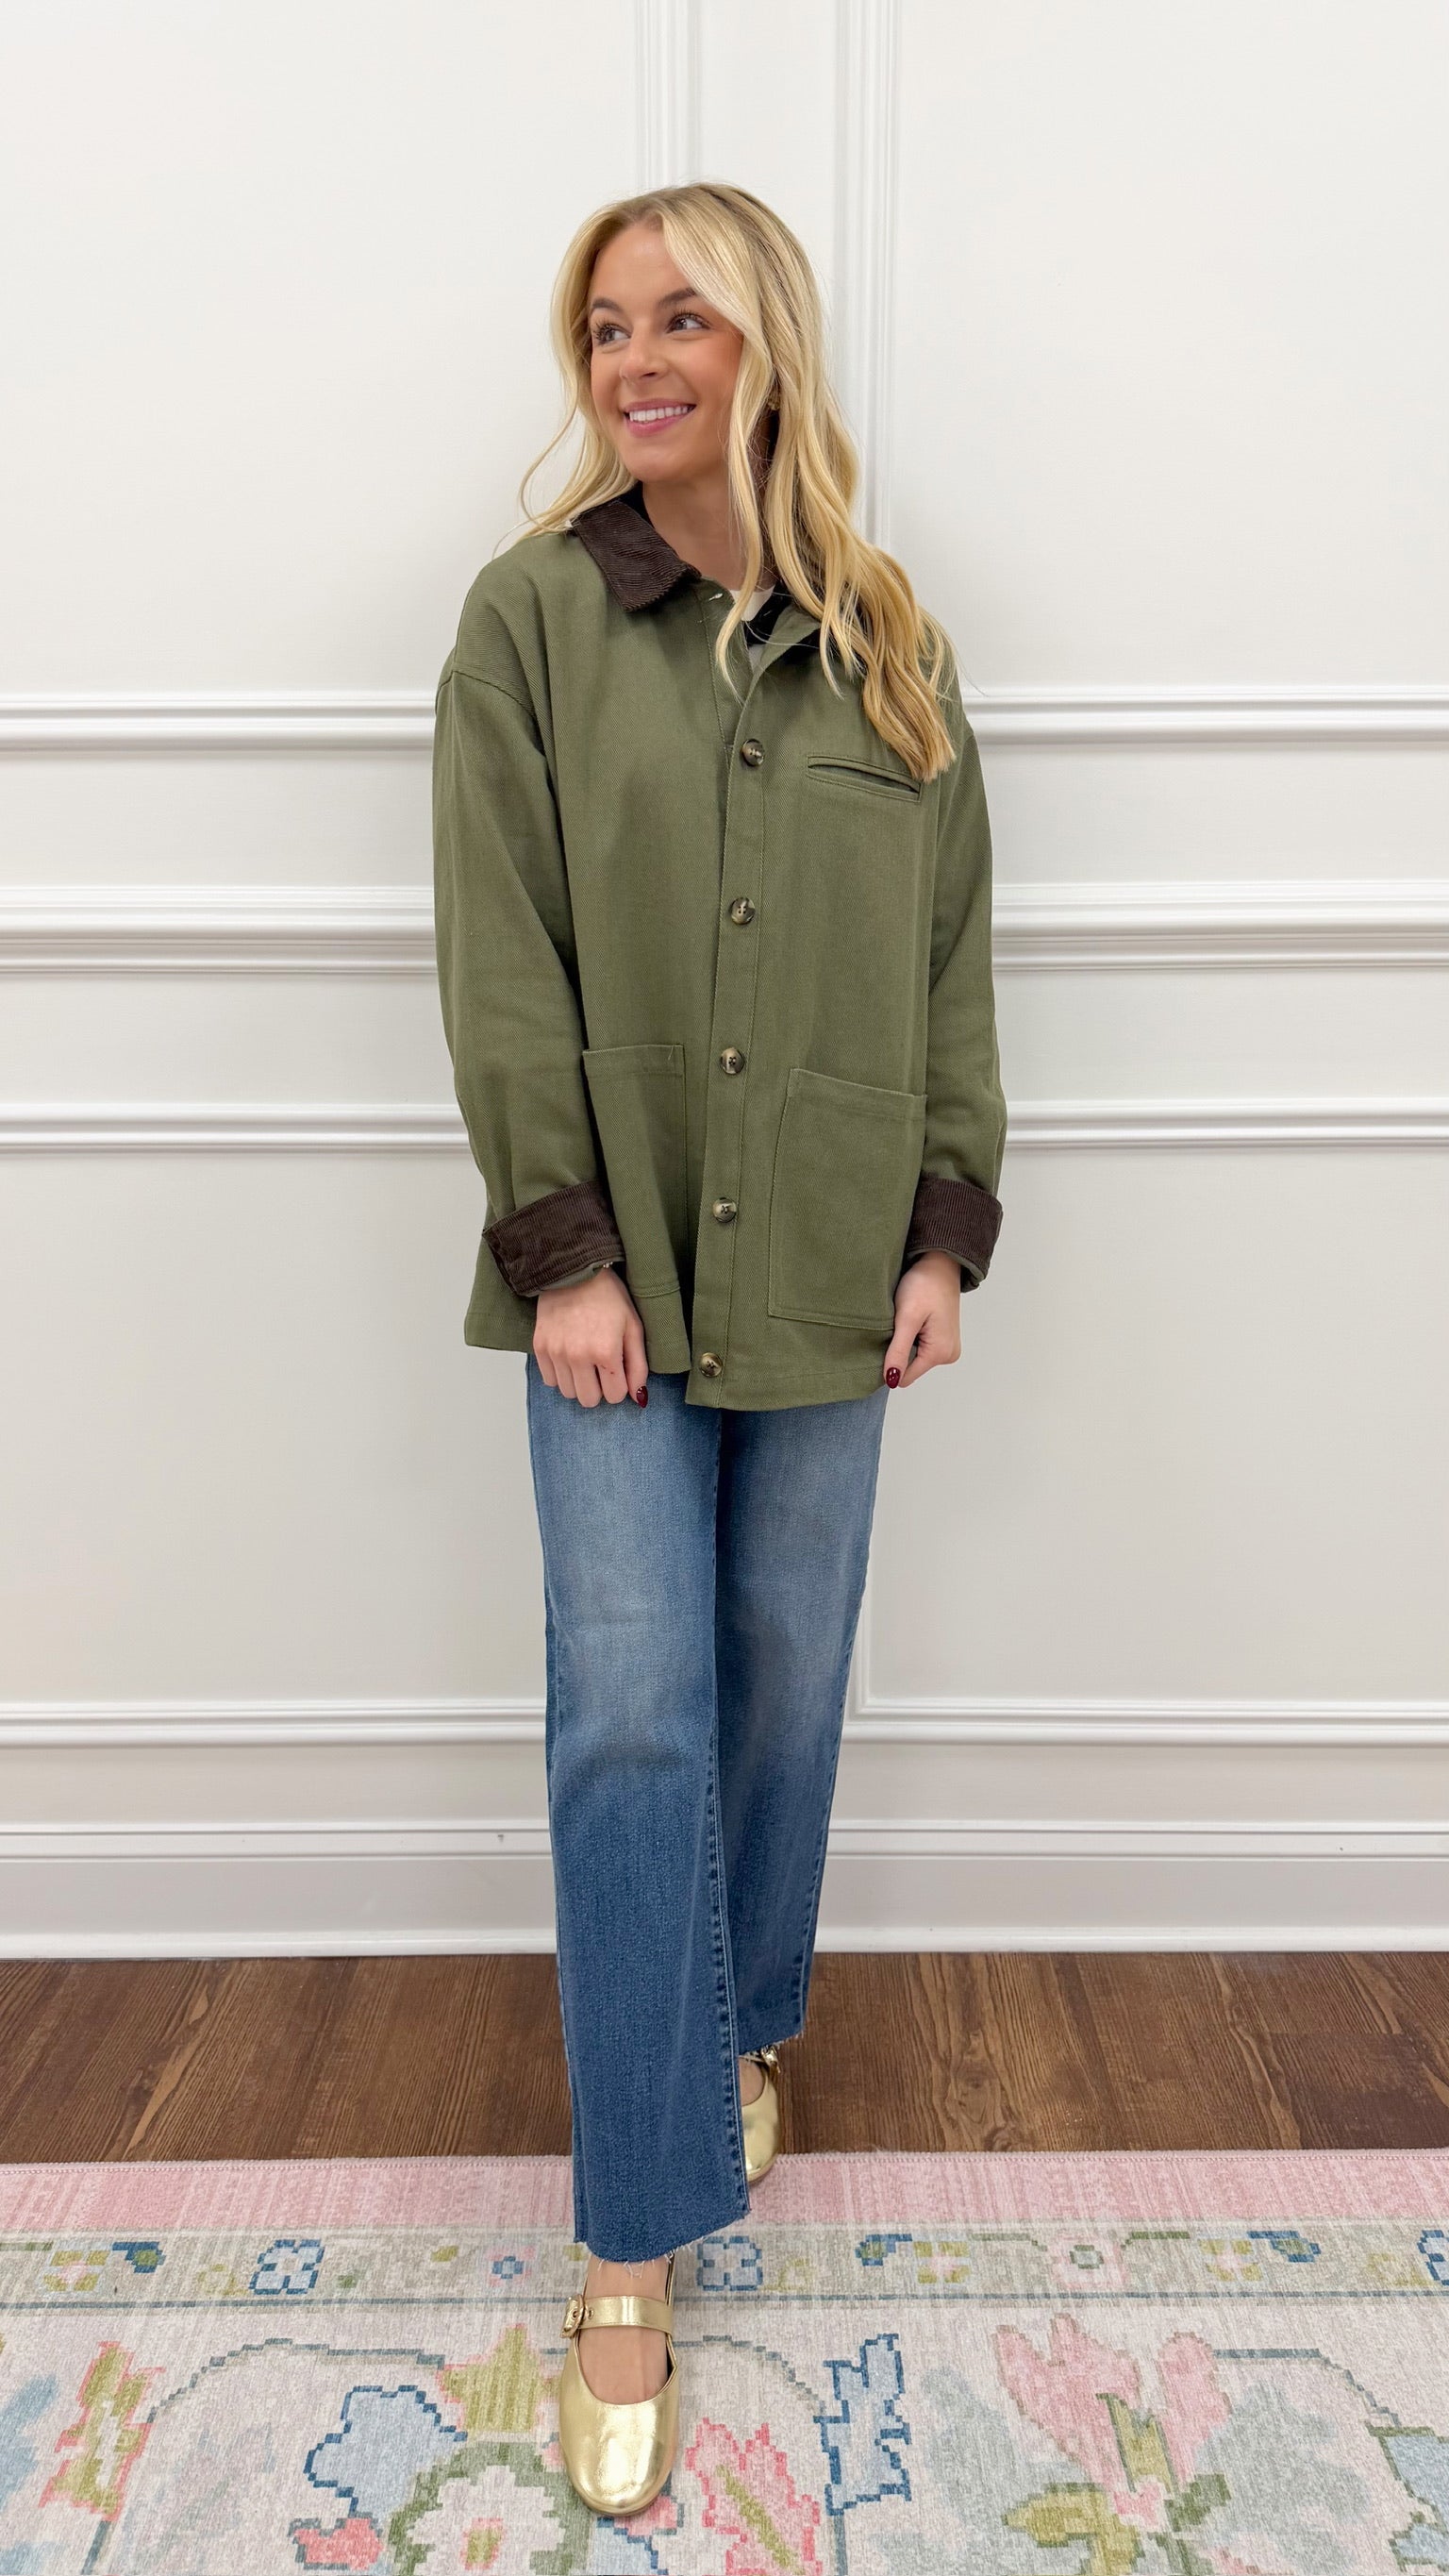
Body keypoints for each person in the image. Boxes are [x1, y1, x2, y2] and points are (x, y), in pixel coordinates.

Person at [431, 179, 1007, 2517]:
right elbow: (502, 954)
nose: (638, 359)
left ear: (768, 344)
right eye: (604, 325)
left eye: (682, 318)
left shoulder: (890, 638)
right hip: (617, 1271)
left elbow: (951, 958)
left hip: (836, 1265)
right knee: (632, 1706)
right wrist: (565, 1251)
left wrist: (946, 1222)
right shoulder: (530, 622)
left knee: (781, 1664)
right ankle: (633, 2244)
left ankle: (746, 2025)